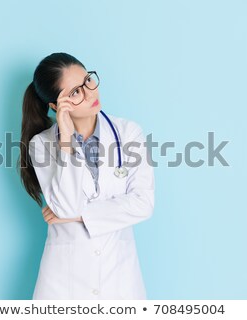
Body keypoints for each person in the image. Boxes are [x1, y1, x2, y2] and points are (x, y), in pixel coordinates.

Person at [18, 52, 155, 299]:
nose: (90, 93)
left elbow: (143, 204)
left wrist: (80, 216)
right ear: (55, 106)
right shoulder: (42, 144)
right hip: (63, 283)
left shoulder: (128, 133)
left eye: (87, 81)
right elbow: (66, 205)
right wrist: (67, 139)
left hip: (119, 278)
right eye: (74, 92)